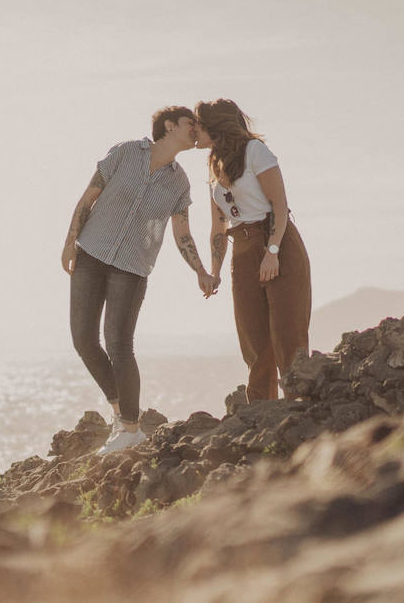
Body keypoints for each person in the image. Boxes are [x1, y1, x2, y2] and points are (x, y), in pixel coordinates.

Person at [61, 106, 217, 453]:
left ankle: (131, 429)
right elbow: (88, 198)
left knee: (119, 343)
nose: (196, 130)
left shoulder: (179, 182)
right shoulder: (126, 152)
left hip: (132, 268)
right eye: (191, 123)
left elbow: (183, 234)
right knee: (83, 340)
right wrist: (70, 241)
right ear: (170, 125)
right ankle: (121, 413)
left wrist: (201, 271)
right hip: (91, 254)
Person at [194, 98, 311, 402]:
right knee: (254, 340)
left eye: (199, 124)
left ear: (215, 126)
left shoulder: (255, 151)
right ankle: (261, 415)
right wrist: (214, 272)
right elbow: (218, 227)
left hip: (278, 242)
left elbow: (280, 206)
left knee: (288, 334)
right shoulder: (212, 168)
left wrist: (272, 251)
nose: (194, 129)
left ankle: (300, 407)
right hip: (242, 250)